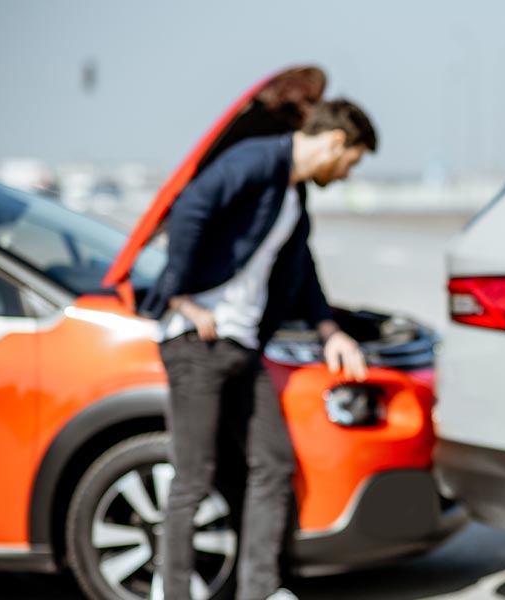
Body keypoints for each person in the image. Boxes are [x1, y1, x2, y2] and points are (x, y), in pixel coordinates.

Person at [140, 99, 377, 600]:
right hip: (195, 342)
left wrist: (329, 330)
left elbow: (302, 271)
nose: (346, 174)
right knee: (193, 476)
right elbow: (190, 207)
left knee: (272, 464)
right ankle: (174, 592)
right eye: (350, 162)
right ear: (335, 142)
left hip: (239, 346)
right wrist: (180, 298)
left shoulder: (291, 197)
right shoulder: (257, 160)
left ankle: (259, 590)